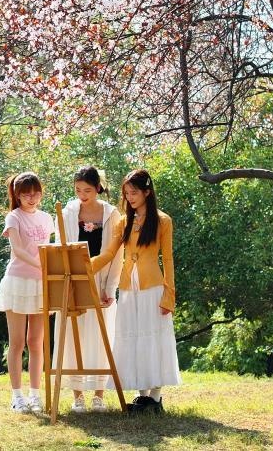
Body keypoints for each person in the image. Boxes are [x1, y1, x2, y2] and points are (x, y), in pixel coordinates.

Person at [92, 168, 180, 413]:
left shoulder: (163, 221)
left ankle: (156, 396)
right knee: (133, 338)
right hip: (128, 288)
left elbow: (169, 260)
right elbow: (109, 254)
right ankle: (142, 396)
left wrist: (168, 295)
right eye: (126, 193)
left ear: (147, 192)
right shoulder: (124, 221)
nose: (129, 197)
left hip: (153, 288)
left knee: (155, 338)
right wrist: (85, 266)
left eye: (134, 193)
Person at [53, 165, 123, 413]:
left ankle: (99, 396)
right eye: (78, 190)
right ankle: (78, 396)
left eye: (88, 190)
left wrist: (111, 288)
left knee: (101, 336)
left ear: (98, 188)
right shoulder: (68, 211)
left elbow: (116, 255)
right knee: (74, 336)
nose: (82, 194)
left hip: (100, 283)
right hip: (73, 282)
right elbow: (59, 249)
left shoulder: (111, 214)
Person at [0, 171, 54, 413]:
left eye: (36, 193)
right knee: (17, 342)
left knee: (36, 342)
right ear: (17, 196)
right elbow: (18, 250)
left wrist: (48, 270)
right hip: (18, 282)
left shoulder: (46, 217)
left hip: (41, 284)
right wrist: (42, 265)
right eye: (26, 194)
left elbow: (50, 246)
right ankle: (17, 395)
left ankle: (35, 395)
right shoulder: (13, 217)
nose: (32, 198)